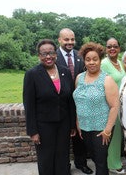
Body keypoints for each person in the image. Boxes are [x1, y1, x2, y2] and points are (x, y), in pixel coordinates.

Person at [23, 39, 76, 175]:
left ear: (56, 54)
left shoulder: (64, 71)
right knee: (46, 158)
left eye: (51, 53)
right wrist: (33, 131)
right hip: (43, 126)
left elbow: (70, 100)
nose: (48, 57)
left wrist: (72, 125)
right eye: (44, 54)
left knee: (63, 156)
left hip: (63, 125)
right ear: (39, 56)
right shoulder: (32, 74)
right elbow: (29, 105)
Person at [73, 42, 119, 175]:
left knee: (100, 161)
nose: (91, 62)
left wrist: (108, 130)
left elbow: (114, 106)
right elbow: (78, 102)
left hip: (102, 128)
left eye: (95, 59)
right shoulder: (79, 78)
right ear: (84, 61)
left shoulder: (107, 80)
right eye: (88, 59)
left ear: (100, 60)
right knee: (93, 156)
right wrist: (78, 122)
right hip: (85, 127)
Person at [56, 28, 93, 174]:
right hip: (61, 105)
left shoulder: (80, 55)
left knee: (79, 137)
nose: (70, 42)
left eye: (72, 39)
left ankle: (81, 163)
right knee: (62, 138)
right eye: (66, 39)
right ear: (59, 40)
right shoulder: (54, 56)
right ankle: (64, 165)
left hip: (79, 103)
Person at [101, 38, 126, 174]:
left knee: (118, 135)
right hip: (110, 105)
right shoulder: (104, 64)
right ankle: (113, 164)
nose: (112, 49)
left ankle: (115, 159)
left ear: (119, 48)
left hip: (121, 105)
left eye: (115, 46)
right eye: (109, 46)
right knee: (113, 135)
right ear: (106, 49)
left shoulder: (120, 63)